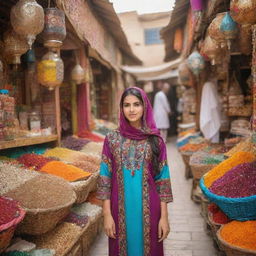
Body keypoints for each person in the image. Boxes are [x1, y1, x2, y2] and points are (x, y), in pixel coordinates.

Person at [97, 87, 173, 256]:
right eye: (127, 105)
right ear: (121, 108)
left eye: (136, 104)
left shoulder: (155, 140)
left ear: (145, 106)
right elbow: (104, 179)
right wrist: (107, 214)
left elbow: (163, 181)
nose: (131, 110)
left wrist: (164, 218)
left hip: (150, 211)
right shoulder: (112, 139)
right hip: (118, 211)